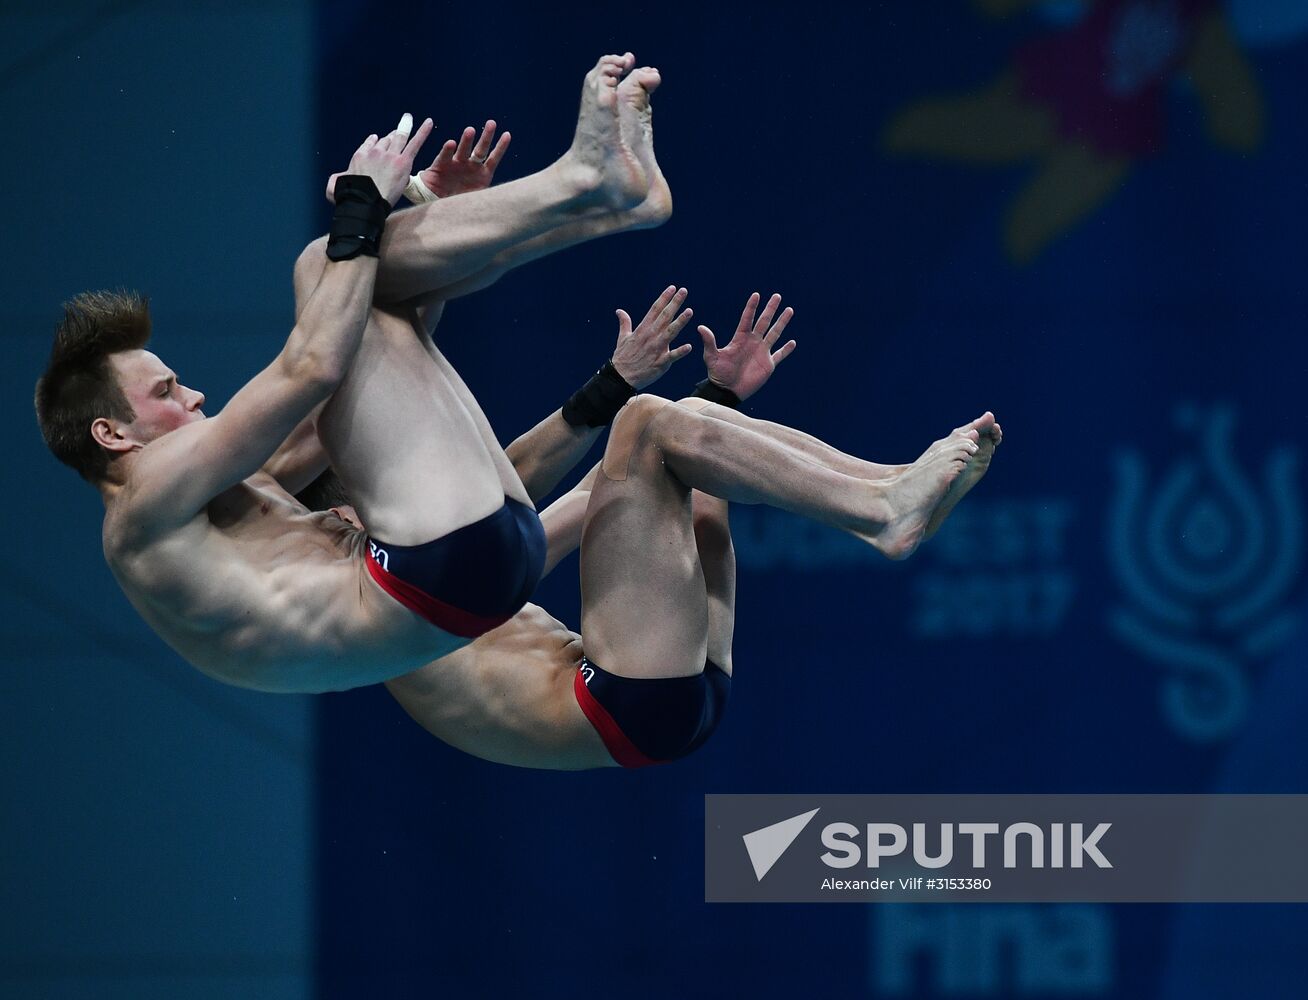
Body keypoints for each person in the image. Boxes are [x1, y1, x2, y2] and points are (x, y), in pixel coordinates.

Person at [34, 54, 674, 693]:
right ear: (113, 435)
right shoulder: (141, 505)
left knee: (354, 278)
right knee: (323, 263)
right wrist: (364, 208)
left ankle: (613, 206)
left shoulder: (221, 492)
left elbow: (361, 368)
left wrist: (432, 212)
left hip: (471, 567)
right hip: (431, 577)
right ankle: (581, 179)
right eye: (166, 391)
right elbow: (310, 368)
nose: (196, 393)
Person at [305, 286, 1001, 769]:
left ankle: (888, 483)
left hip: (660, 694)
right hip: (617, 699)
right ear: (345, 514)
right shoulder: (386, 609)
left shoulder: (434, 590)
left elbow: (595, 500)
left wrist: (713, 399)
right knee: (646, 425)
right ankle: (879, 511)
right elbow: (537, 487)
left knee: (675, 432)